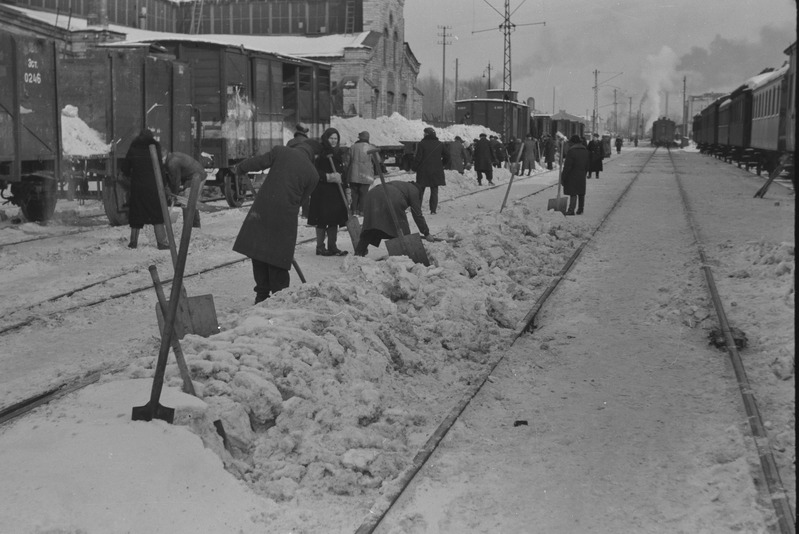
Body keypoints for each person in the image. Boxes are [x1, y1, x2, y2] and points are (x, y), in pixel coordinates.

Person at [232, 140, 321, 304]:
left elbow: (257, 163)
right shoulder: (313, 174)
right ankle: (280, 299)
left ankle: (261, 297)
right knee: (278, 258)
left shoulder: (281, 152)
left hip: (263, 210)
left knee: (259, 252)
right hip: (285, 218)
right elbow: (301, 201)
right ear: (313, 155)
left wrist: (241, 167)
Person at [120, 129, 169, 250]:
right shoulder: (155, 147)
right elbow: (160, 169)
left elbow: (125, 168)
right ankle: (161, 242)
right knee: (157, 215)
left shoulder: (134, 147)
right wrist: (165, 184)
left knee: (136, 214)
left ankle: (133, 242)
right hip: (154, 187)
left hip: (138, 187)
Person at [354, 180, 432, 257]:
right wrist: (426, 232)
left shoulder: (401, 184)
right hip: (391, 197)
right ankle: (403, 255)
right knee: (401, 228)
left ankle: (359, 252)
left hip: (371, 195)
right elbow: (417, 213)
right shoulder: (415, 190)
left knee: (371, 225)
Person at [308, 127, 349, 256]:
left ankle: (332, 246)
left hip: (336, 191)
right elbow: (314, 171)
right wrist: (329, 177)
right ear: (326, 138)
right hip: (322, 192)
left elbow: (343, 173)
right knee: (321, 219)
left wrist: (347, 189)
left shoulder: (338, 153)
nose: (333, 141)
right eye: (331, 138)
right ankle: (320, 247)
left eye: (336, 138)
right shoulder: (319, 153)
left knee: (334, 219)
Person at [164, 151, 205, 228]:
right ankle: (194, 225)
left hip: (196, 178)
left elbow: (176, 181)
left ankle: (189, 227)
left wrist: (173, 195)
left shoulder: (172, 163)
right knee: (191, 202)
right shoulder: (172, 158)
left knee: (186, 203)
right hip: (195, 176)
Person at [412, 127, 448, 215]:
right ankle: (433, 210)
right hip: (436, 170)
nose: (423, 134)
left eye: (424, 133)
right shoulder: (440, 144)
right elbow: (447, 155)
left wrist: (414, 167)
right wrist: (442, 164)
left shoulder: (421, 144)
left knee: (420, 190)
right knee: (434, 191)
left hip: (423, 171)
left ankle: (418, 209)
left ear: (427, 134)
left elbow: (418, 158)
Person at [347, 131, 378, 216]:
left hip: (354, 173)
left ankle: (353, 210)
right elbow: (377, 160)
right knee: (364, 193)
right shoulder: (371, 147)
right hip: (366, 175)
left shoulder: (352, 147)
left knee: (354, 192)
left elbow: (347, 162)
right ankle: (362, 211)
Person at [562, 134, 589, 216]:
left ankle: (571, 210)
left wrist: (563, 177)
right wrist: (584, 173)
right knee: (581, 192)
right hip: (581, 174)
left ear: (572, 143)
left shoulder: (571, 151)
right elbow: (587, 165)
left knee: (573, 192)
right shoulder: (585, 150)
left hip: (572, 175)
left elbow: (567, 166)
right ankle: (580, 209)